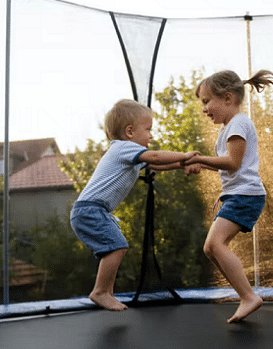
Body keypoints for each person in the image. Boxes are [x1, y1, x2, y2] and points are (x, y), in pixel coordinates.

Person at [70, 99, 200, 311]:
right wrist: (185, 155)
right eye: (148, 129)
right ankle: (101, 291)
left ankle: (105, 292)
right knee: (117, 246)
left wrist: (182, 164)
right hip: (90, 210)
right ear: (129, 132)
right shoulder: (123, 148)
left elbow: (158, 163)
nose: (151, 135)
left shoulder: (128, 153)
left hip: (91, 210)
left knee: (114, 247)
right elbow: (156, 155)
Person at [185, 69, 273, 323]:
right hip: (237, 195)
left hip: (246, 196)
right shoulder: (228, 128)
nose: (204, 109)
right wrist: (201, 164)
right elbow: (228, 165)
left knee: (215, 245)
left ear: (227, 98)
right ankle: (245, 295)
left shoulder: (239, 123)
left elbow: (233, 163)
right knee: (210, 247)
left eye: (206, 101)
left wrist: (200, 158)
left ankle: (248, 296)